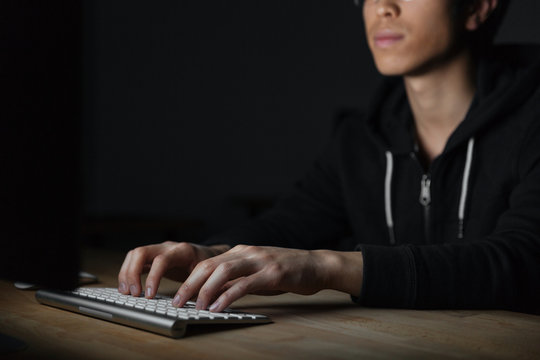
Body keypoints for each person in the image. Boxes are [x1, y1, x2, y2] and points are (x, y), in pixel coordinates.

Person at [118, 0, 540, 314]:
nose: (382, 8)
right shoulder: (360, 138)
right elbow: (294, 223)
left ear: (478, 6)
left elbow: (524, 261)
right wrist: (211, 253)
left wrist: (322, 266)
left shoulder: (532, 115)